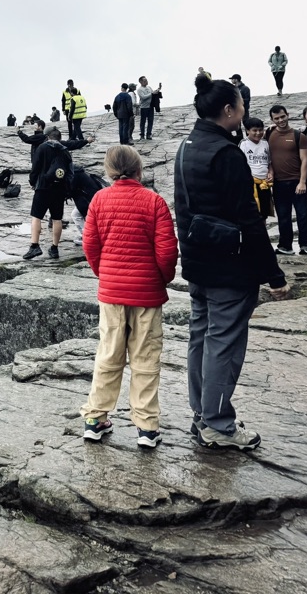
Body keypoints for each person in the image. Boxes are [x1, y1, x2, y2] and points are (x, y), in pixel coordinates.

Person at [174, 75, 289, 450]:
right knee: (223, 343)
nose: (243, 110)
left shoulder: (185, 146)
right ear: (228, 110)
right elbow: (248, 220)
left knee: (201, 337)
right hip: (229, 266)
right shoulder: (227, 154)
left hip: (197, 264)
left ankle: (201, 412)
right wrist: (273, 275)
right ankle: (218, 424)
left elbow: (185, 210)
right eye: (240, 104)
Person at [81, 145, 178, 447]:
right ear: (139, 170)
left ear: (109, 172)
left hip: (111, 294)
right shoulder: (154, 202)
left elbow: (90, 246)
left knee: (108, 353)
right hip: (147, 294)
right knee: (145, 358)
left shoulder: (99, 199)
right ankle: (147, 428)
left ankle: (95, 420)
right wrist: (162, 279)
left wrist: (105, 274)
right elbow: (167, 252)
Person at [24, 124, 92, 261]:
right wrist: (66, 188)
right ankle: (54, 248)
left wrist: (32, 182)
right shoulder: (65, 151)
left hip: (42, 188)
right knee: (57, 219)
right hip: (59, 190)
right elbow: (70, 172)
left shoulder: (42, 148)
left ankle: (34, 246)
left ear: (47, 136)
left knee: (36, 217)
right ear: (60, 137)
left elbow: (35, 168)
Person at [266, 105, 307, 255]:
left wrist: (302, 181)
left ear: (288, 115)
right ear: (272, 119)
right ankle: (285, 246)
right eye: (276, 118)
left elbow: (305, 160)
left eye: (282, 116)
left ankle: (306, 245)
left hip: (297, 182)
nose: (281, 120)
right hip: (278, 183)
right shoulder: (269, 133)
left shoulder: (299, 136)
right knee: (283, 216)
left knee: (304, 215)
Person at [239, 117, 273, 219]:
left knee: (264, 213)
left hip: (264, 184)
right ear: (247, 131)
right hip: (251, 184)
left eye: (260, 130)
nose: (258, 133)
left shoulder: (265, 143)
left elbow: (269, 163)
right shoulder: (243, 144)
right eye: (254, 130)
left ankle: (264, 232)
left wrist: (271, 173)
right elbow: (241, 165)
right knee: (252, 213)